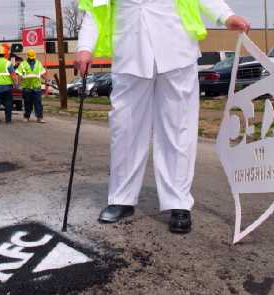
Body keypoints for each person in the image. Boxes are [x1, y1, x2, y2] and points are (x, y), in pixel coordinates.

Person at [76, 0, 250, 233]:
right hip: (129, 52)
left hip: (176, 49)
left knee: (178, 129)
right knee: (125, 129)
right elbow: (93, 9)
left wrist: (226, 16)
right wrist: (84, 47)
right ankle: (121, 199)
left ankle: (178, 202)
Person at [17, 49, 46, 123]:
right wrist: (19, 85)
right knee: (27, 103)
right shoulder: (23, 64)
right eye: (31, 57)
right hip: (27, 87)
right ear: (28, 56)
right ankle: (26, 116)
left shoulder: (38, 63)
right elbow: (20, 75)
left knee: (38, 103)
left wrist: (46, 79)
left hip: (36, 87)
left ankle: (39, 117)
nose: (32, 58)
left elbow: (43, 73)